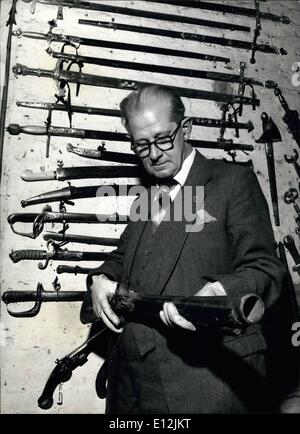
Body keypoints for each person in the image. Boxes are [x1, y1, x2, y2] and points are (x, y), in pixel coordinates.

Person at [81, 84, 286, 414]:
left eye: (164, 139)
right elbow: (123, 259)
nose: (155, 153)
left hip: (202, 382)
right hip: (129, 383)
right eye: (142, 145)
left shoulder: (232, 182)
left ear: (186, 129)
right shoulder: (147, 197)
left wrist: (221, 292)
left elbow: (266, 269)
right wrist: (101, 279)